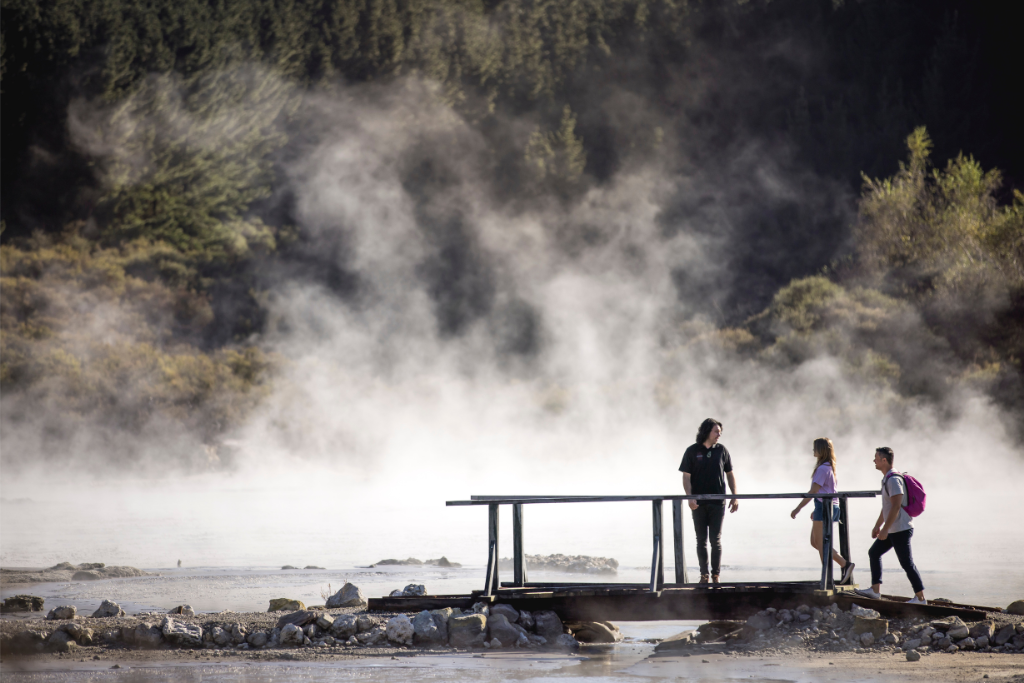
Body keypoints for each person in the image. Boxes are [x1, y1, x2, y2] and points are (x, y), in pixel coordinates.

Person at [854, 447, 927, 604]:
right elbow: (887, 507)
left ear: (884, 460)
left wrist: (885, 529)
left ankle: (921, 598)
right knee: (874, 553)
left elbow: (896, 505)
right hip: (892, 529)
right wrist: (877, 526)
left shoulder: (893, 480)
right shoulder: (887, 479)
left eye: (876, 458)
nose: (874, 460)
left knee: (907, 563)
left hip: (900, 529)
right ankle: (875, 591)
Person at [679, 418, 738, 584]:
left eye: (720, 432)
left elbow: (730, 474)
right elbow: (686, 477)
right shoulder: (692, 451)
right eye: (716, 431)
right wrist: (690, 497)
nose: (719, 434)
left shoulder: (722, 450)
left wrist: (734, 495)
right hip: (698, 502)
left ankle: (715, 575)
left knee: (715, 540)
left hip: (718, 502)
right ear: (706, 432)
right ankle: (704, 574)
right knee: (701, 540)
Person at [790, 437, 855, 585]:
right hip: (826, 506)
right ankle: (832, 572)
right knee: (815, 542)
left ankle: (842, 567)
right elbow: (824, 491)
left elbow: (813, 491)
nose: (813, 451)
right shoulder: (829, 467)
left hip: (826, 508)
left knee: (821, 543)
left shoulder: (822, 469)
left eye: (815, 448)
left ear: (821, 450)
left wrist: (798, 508)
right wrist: (816, 508)